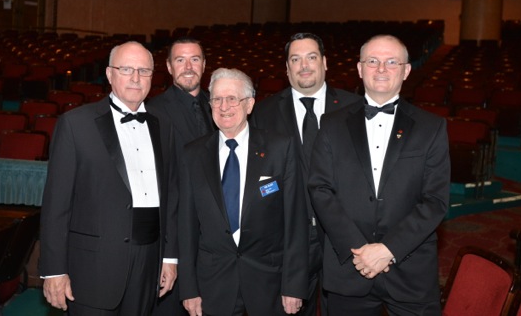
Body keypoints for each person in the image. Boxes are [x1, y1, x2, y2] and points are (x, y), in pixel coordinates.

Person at [308, 35, 450, 316]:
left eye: (391, 62)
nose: (381, 69)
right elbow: (320, 189)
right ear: (360, 69)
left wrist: (388, 249)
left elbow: (435, 201)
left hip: (410, 271)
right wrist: (360, 250)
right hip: (350, 267)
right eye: (372, 61)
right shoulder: (332, 124)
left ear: (406, 70)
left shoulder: (431, 127)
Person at [39, 41, 177, 316]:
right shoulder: (75, 124)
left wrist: (170, 256)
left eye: (144, 70)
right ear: (109, 74)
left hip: (149, 264)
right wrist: (53, 270)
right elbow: (57, 204)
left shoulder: (164, 126)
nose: (136, 78)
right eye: (127, 69)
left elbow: (171, 197)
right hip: (92, 268)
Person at [179, 68, 309, 316]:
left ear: (249, 104)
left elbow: (296, 222)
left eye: (232, 99)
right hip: (212, 286)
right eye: (217, 99)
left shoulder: (281, 148)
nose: (223, 106)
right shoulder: (192, 154)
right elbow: (186, 228)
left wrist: (294, 285)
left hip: (270, 283)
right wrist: (188, 288)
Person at [250, 32, 361, 315]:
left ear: (325, 63)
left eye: (311, 57)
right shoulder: (263, 113)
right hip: (289, 239)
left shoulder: (354, 109)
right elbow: (260, 180)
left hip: (344, 236)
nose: (304, 66)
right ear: (287, 69)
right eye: (295, 59)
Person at [145, 38, 214, 315]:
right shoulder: (153, 111)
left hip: (215, 242)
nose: (188, 66)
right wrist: (167, 253)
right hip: (175, 235)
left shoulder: (221, 105)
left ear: (204, 65)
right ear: (169, 67)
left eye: (195, 59)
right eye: (180, 60)